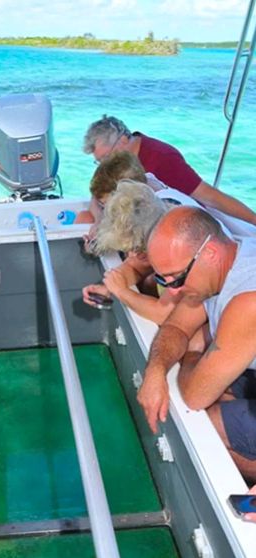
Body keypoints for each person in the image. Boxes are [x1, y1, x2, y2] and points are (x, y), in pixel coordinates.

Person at [136, 206, 256, 483]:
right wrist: (155, 370)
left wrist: (192, 355)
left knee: (206, 424)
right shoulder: (226, 261)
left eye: (176, 279)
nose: (173, 291)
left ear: (210, 253)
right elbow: (176, 327)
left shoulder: (248, 299)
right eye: (163, 280)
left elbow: (194, 395)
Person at [83, 115, 256, 226]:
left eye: (105, 158)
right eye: (99, 162)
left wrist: (253, 221)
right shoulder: (115, 163)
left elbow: (209, 196)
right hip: (135, 221)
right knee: (84, 218)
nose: (104, 165)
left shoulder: (162, 158)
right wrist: (99, 221)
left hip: (179, 224)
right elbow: (96, 198)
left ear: (122, 140)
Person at [82, 180, 177, 324]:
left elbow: (164, 313)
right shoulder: (154, 215)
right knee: (150, 280)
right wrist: (108, 288)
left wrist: (121, 291)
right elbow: (135, 267)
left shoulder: (180, 246)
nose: (132, 256)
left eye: (137, 248)